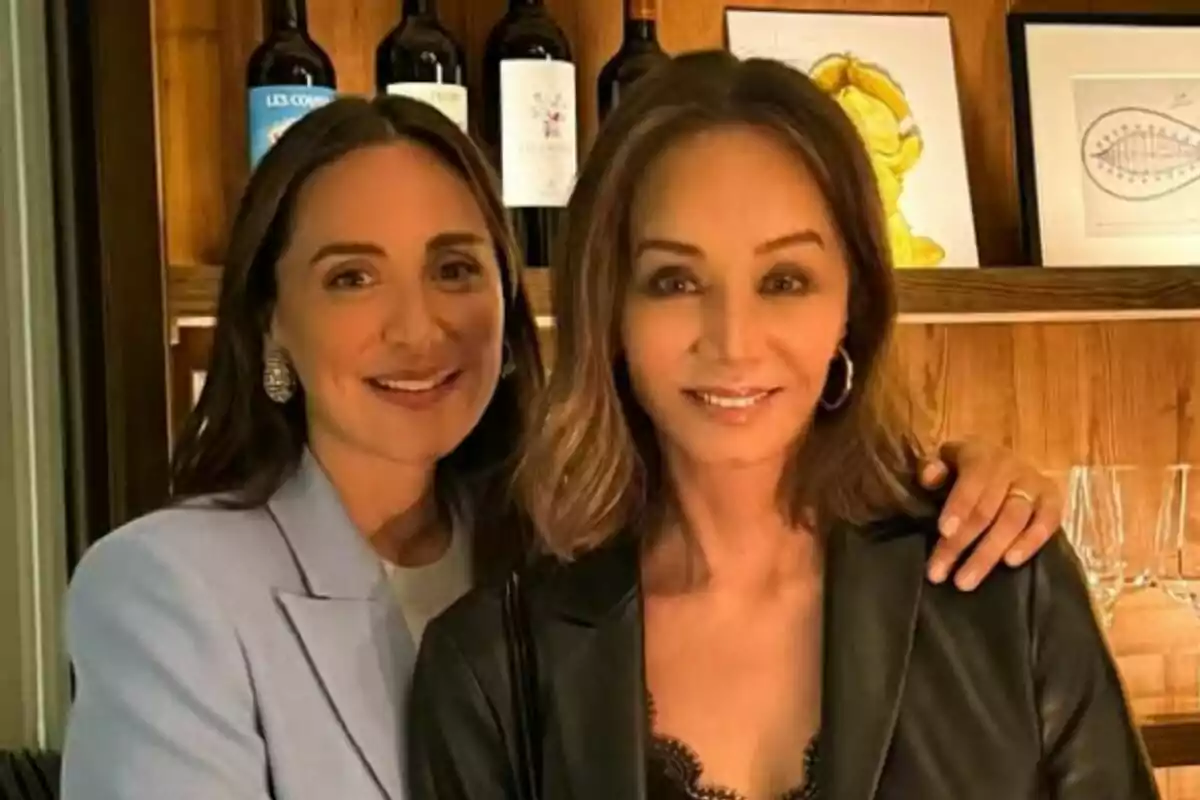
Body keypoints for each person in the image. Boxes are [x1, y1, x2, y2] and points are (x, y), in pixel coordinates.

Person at [60, 94, 1059, 799]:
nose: (419, 328)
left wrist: (964, 477)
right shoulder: (166, 586)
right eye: (351, 277)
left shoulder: (559, 538)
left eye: (455, 267)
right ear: (271, 320)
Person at [407, 53, 1156, 799]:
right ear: (612, 313)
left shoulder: (1005, 589)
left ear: (851, 306)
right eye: (675, 281)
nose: (733, 341)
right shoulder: (489, 669)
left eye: (785, 281)